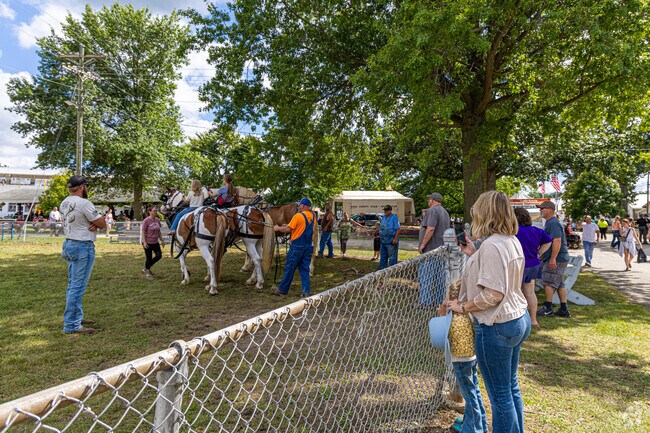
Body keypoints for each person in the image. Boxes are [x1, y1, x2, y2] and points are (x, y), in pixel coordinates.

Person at [445, 190, 530, 433]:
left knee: (500, 396)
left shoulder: (493, 245)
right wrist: (474, 254)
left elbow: (493, 294)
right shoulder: (509, 240)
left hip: (498, 324)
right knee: (510, 388)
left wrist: (462, 306)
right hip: (517, 317)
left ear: (486, 213)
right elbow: (499, 272)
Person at [436, 280, 488, 433]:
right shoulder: (468, 312)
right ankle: (480, 424)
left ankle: (472, 428)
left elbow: (440, 330)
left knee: (469, 395)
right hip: (471, 357)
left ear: (454, 299)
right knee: (474, 391)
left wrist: (443, 309)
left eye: (447, 297)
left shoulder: (452, 315)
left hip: (460, 360)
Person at [59, 176, 106, 334]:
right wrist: (96, 222)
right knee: (77, 287)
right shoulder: (84, 203)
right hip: (82, 246)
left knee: (72, 285)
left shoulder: (64, 202)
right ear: (81, 187)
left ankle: (75, 317)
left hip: (69, 244)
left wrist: (92, 222)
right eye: (86, 185)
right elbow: (102, 223)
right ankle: (72, 325)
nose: (87, 188)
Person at [514, 207, 552, 328]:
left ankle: (517, 319)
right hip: (533, 264)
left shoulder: (513, 231)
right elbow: (548, 241)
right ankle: (533, 319)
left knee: (515, 292)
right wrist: (539, 253)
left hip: (517, 265)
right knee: (530, 292)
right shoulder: (537, 230)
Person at [271, 198, 316, 297]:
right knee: (305, 270)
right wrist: (288, 225)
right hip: (308, 247)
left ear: (303, 206)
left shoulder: (298, 216)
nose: (299, 207)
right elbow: (300, 227)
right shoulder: (312, 216)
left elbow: (287, 229)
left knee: (289, 268)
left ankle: (282, 290)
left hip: (297, 247)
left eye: (300, 205)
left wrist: (278, 228)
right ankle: (306, 292)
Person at [536, 201, 572, 318]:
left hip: (557, 258)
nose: (540, 211)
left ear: (550, 209)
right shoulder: (550, 222)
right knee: (560, 284)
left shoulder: (553, 223)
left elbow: (557, 240)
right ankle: (563, 309)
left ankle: (548, 308)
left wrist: (553, 259)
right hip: (559, 258)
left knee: (548, 282)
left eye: (542, 208)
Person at [417, 192, 450, 306]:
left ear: (432, 200)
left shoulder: (432, 211)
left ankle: (425, 302)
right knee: (439, 278)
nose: (428, 201)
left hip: (431, 250)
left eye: (429, 199)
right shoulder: (444, 212)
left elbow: (430, 229)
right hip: (441, 249)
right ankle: (439, 301)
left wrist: (423, 244)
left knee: (425, 276)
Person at [141, 206, 164, 280]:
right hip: (147, 242)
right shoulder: (146, 220)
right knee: (149, 257)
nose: (155, 212)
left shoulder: (157, 220)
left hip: (155, 242)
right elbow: (143, 232)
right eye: (154, 211)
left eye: (156, 211)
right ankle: (148, 273)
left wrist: (162, 240)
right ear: (150, 212)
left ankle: (147, 267)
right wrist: (144, 242)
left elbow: (159, 231)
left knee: (159, 255)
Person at [378, 204, 401, 270]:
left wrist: (395, 239)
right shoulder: (384, 217)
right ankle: (382, 269)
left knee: (392, 256)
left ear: (390, 211)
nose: (385, 212)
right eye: (384, 210)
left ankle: (392, 269)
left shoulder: (394, 218)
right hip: (383, 240)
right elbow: (382, 227)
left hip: (391, 240)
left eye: (386, 210)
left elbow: (398, 229)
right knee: (383, 255)